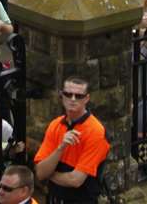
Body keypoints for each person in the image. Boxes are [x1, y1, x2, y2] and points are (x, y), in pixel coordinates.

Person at [32, 76, 109, 204]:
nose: (72, 99)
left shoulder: (96, 131)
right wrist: (60, 148)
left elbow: (75, 180)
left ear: (86, 99)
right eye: (68, 94)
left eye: (78, 96)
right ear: (62, 96)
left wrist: (50, 175)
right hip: (54, 199)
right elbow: (40, 172)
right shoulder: (55, 125)